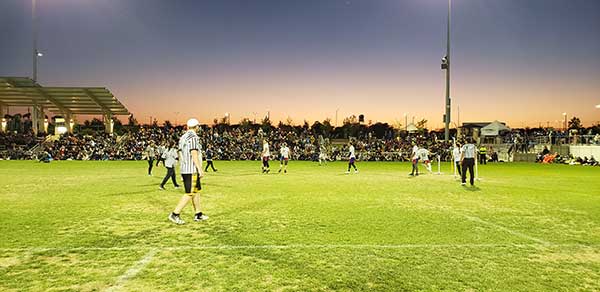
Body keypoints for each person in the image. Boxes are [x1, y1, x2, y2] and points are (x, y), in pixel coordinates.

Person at [168, 118, 209, 225]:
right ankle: (175, 214)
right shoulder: (194, 137)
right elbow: (194, 154)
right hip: (191, 169)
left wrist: (181, 171)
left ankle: (198, 213)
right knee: (190, 193)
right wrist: (200, 169)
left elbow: (181, 154)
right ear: (197, 127)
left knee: (196, 191)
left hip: (185, 168)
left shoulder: (183, 137)